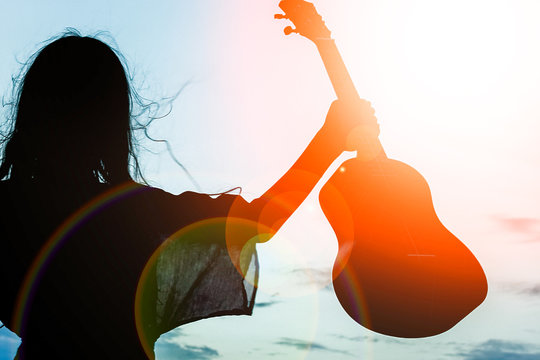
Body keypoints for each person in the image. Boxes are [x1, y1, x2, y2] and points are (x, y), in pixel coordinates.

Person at [0, 32, 376, 359]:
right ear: (113, 123)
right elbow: (259, 222)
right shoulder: (136, 213)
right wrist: (329, 141)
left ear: (32, 113)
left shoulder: (8, 208)